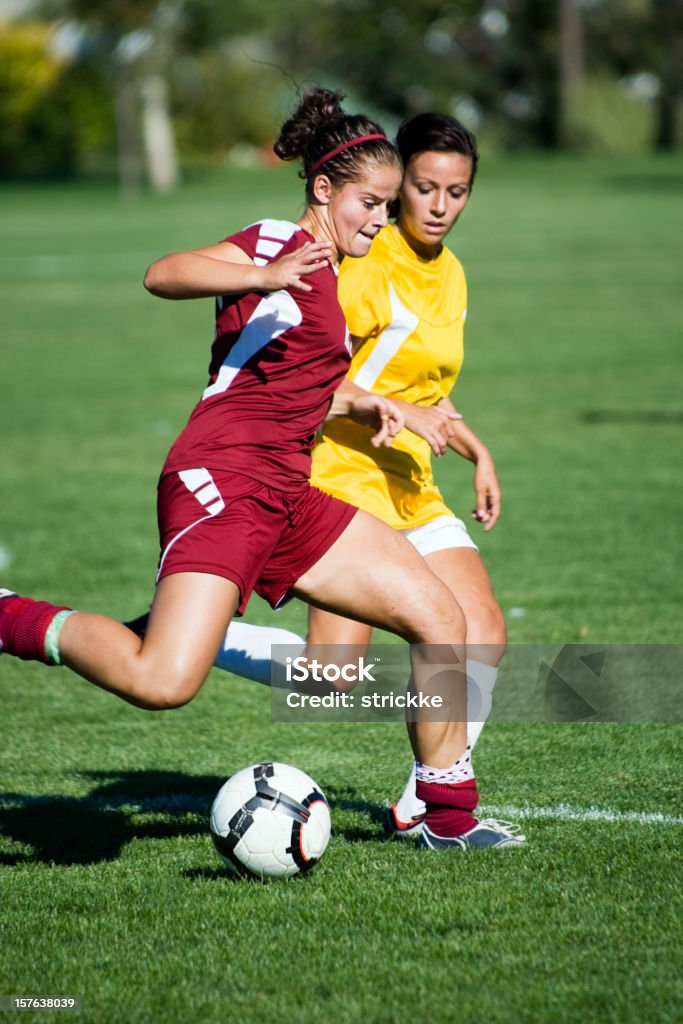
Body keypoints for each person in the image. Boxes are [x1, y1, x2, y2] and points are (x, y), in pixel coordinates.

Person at [0, 88, 524, 851]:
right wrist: (259, 275)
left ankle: (446, 817)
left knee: (440, 619)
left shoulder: (339, 279)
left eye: (386, 207)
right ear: (323, 191)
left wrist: (394, 408)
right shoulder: (275, 240)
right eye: (370, 204)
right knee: (162, 682)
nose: (380, 222)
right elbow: (163, 272)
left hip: (290, 492)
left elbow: (309, 384)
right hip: (222, 479)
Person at [212, 112, 512, 841]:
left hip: (407, 476)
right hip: (342, 472)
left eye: (457, 191)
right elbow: (324, 378)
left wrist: (474, 445)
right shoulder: (363, 267)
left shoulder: (452, 274)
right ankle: (193, 634)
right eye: (424, 187)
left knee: (484, 636)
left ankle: (424, 800)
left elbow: (417, 379)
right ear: (394, 185)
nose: (440, 205)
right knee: (331, 681)